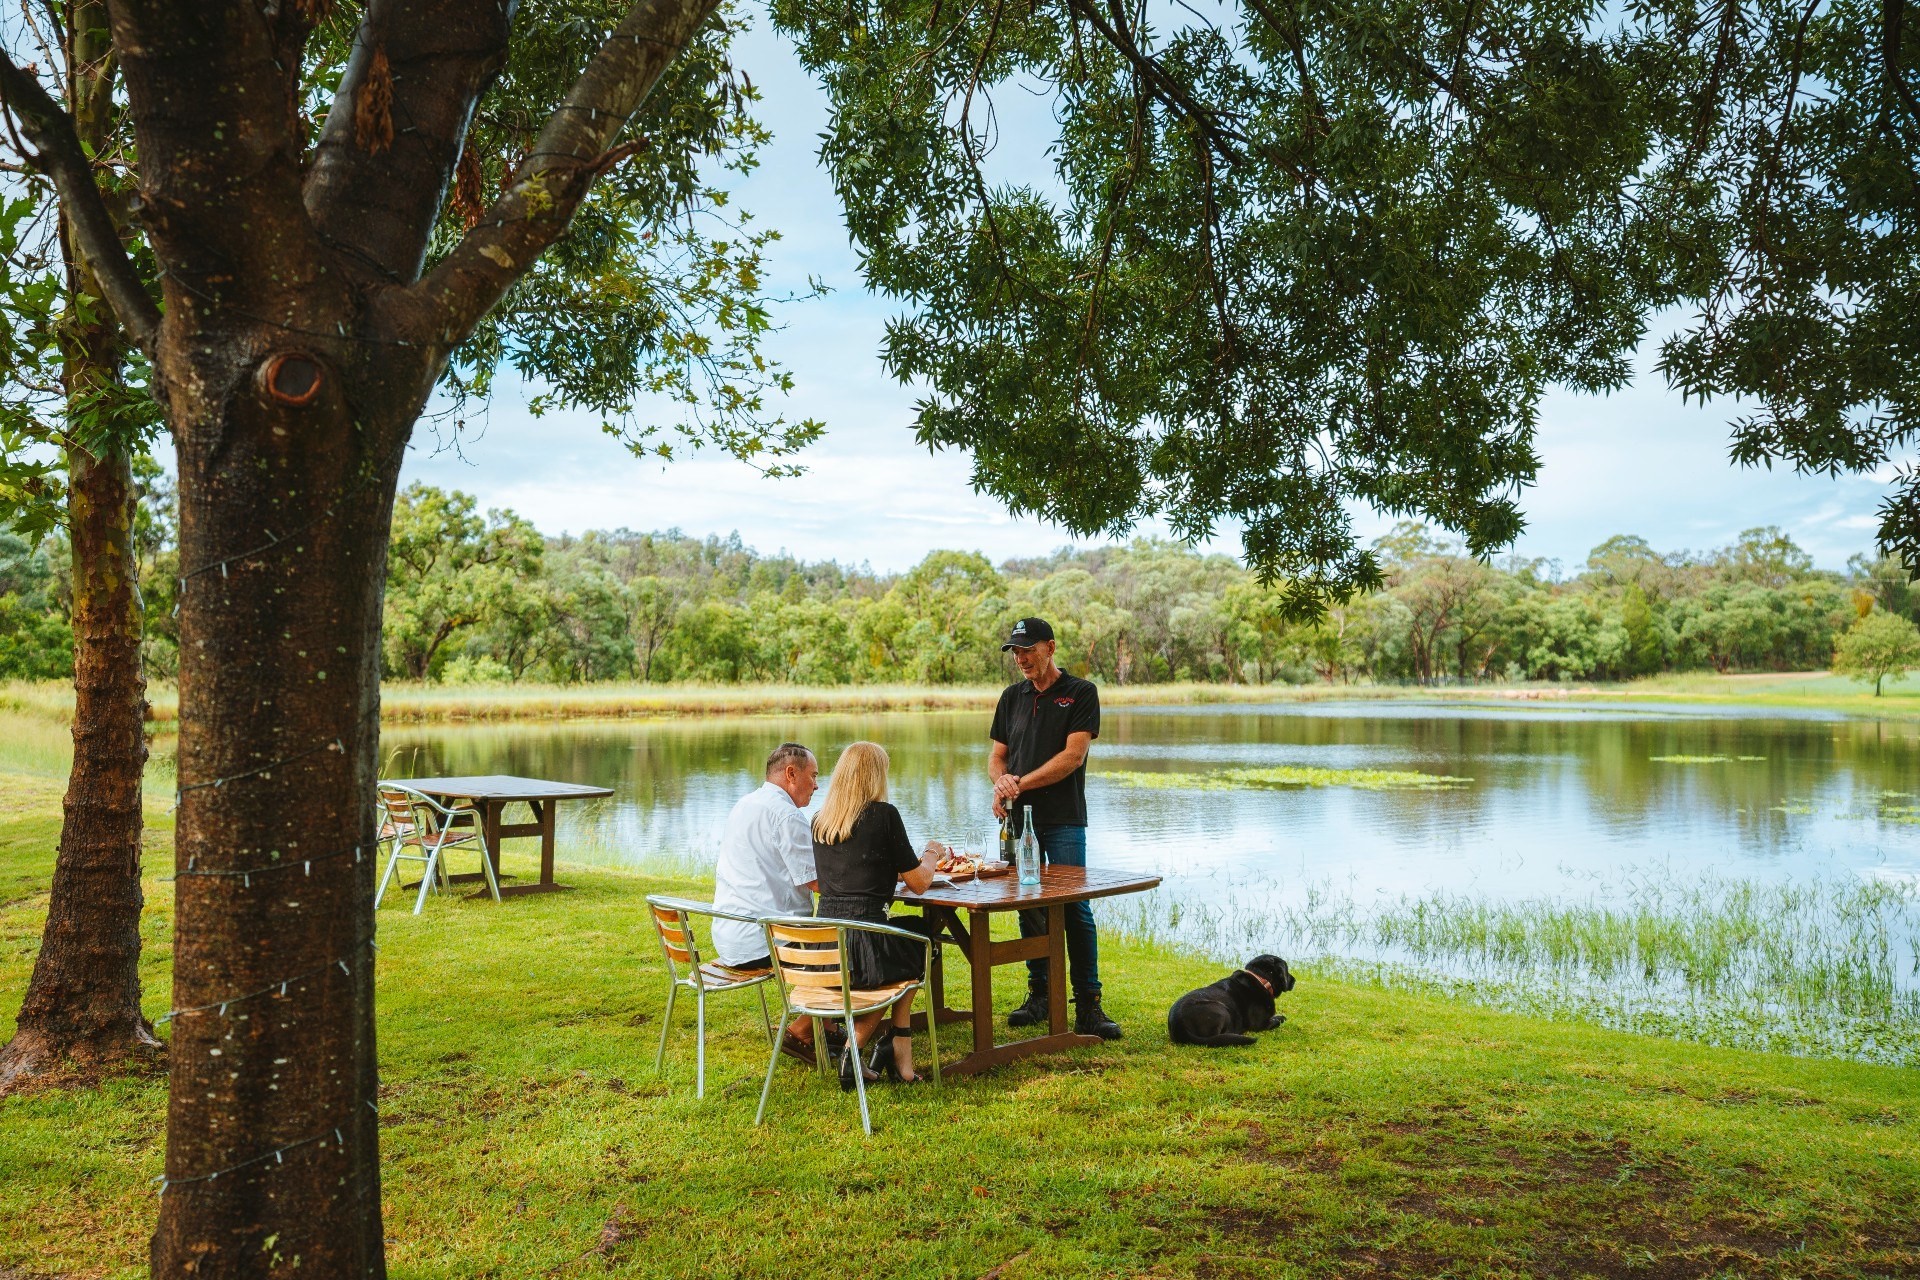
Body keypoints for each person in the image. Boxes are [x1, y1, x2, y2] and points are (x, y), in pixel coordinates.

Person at [989, 616, 1121, 1039]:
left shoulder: (1081, 692)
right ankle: (1041, 996)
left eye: (1028, 650)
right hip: (1017, 820)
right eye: (1016, 652)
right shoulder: (1011, 697)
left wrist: (1018, 783)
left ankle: (1089, 1004)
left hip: (1064, 819)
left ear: (1050, 647)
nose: (1021, 658)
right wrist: (1001, 782)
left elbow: (1072, 757)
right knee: (1028, 903)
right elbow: (997, 757)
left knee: (1075, 905)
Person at [810, 741, 943, 1088]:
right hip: (863, 950)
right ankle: (859, 1048)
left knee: (916, 934)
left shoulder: (820, 822)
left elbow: (852, 871)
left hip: (825, 949)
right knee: (924, 943)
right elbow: (920, 883)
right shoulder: (884, 815)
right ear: (875, 776)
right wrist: (932, 853)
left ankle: (898, 1046)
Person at [712, 742, 827, 1064]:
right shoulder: (786, 815)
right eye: (813, 776)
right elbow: (818, 883)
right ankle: (803, 1028)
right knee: (853, 942)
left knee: (832, 936)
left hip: (730, 936)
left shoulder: (745, 804)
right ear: (791, 774)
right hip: (763, 941)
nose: (817, 785)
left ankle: (827, 1025)